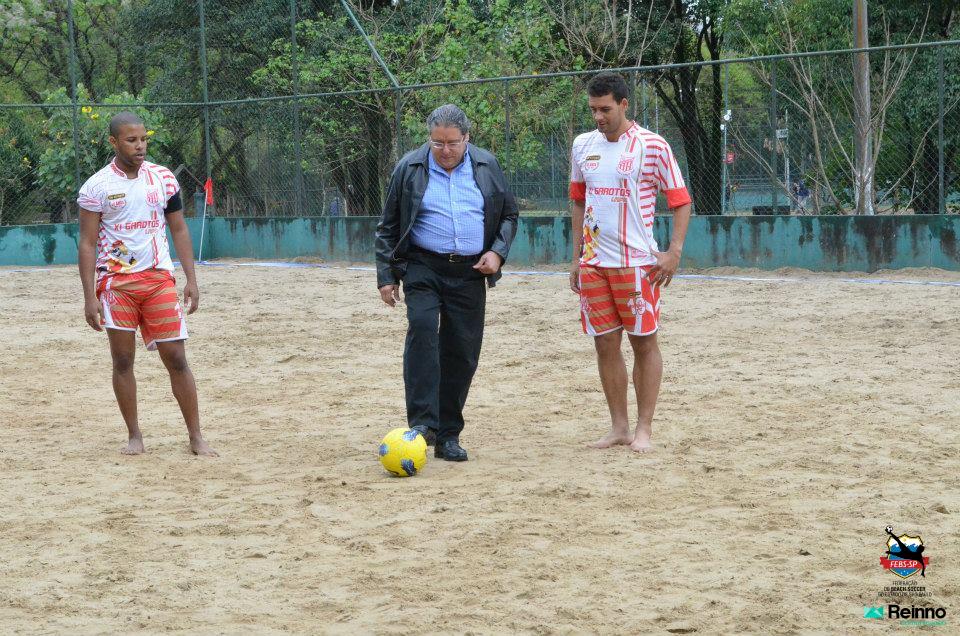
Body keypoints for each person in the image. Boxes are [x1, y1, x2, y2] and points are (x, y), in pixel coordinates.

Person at [375, 104, 518, 462]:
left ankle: (449, 434)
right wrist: (387, 276)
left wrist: (497, 253)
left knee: (462, 351)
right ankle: (424, 425)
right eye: (437, 143)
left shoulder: (487, 165)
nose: (445, 150)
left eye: (453, 142)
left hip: (470, 271)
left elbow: (509, 215)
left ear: (467, 138)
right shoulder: (409, 167)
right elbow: (388, 225)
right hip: (423, 266)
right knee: (422, 330)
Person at [77, 111, 217, 457]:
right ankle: (134, 436)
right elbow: (87, 243)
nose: (139, 146)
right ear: (114, 142)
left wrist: (191, 279)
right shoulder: (96, 187)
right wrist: (89, 297)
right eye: (131, 140)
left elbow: (179, 229)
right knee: (123, 361)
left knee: (177, 358)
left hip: (158, 281)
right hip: (116, 285)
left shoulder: (164, 179)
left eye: (143, 139)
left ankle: (196, 436)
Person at [568, 72, 692, 453]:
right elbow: (578, 201)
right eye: (593, 109)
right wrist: (576, 257)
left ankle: (644, 428)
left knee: (644, 343)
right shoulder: (582, 145)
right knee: (605, 344)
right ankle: (619, 427)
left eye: (605, 109)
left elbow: (681, 200)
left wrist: (673, 252)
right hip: (594, 264)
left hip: (637, 265)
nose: (598, 117)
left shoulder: (652, 146)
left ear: (624, 104)